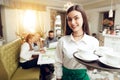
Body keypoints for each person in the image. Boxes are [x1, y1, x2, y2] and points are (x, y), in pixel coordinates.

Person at [55, 5, 99, 80]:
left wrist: (92, 68)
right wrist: (58, 77)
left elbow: (95, 65)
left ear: (83, 19)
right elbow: (58, 62)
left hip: (84, 77)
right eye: (69, 19)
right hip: (66, 77)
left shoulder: (93, 42)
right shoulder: (62, 41)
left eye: (76, 18)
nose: (72, 22)